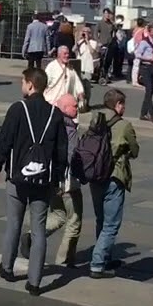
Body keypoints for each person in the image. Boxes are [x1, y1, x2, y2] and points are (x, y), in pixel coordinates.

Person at [0, 67, 69, 296]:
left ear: (30, 85)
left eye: (23, 82)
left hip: (18, 177)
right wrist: (57, 179)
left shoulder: (18, 109)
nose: (21, 86)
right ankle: (35, 282)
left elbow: (5, 140)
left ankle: (7, 267)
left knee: (13, 223)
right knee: (38, 230)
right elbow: (61, 151)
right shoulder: (55, 114)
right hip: (44, 180)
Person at [20, 93, 85, 268]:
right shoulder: (69, 129)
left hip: (51, 179)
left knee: (58, 214)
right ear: (64, 108)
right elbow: (70, 156)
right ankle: (64, 261)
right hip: (67, 182)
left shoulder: (50, 123)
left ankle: (32, 235)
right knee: (74, 221)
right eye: (74, 106)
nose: (77, 108)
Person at [87, 88, 140, 279]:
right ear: (118, 105)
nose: (124, 108)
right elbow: (135, 151)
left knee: (101, 219)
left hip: (95, 175)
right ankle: (97, 263)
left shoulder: (96, 119)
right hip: (114, 176)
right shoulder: (124, 125)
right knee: (111, 224)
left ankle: (105, 256)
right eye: (123, 104)